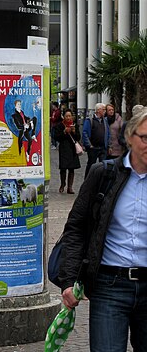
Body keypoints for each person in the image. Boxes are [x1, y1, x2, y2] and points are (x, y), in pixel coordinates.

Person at [59, 106, 147, 352]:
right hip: (110, 286)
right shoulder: (104, 174)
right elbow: (76, 227)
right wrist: (68, 280)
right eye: (145, 138)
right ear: (130, 137)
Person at [53, 109, 81, 194]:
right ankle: (62, 184)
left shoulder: (75, 125)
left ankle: (70, 187)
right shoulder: (60, 125)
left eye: (70, 116)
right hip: (64, 149)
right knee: (63, 168)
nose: (68, 118)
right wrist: (64, 132)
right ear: (63, 117)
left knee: (71, 169)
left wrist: (74, 132)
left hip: (72, 149)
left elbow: (78, 137)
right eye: (66, 116)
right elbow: (56, 137)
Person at [82, 103, 111, 177]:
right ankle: (88, 180)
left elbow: (108, 133)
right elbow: (85, 132)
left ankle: (100, 181)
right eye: (103, 109)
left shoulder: (105, 121)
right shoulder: (90, 120)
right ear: (98, 110)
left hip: (102, 147)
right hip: (93, 147)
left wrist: (108, 144)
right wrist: (89, 145)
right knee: (91, 165)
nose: (105, 111)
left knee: (103, 165)